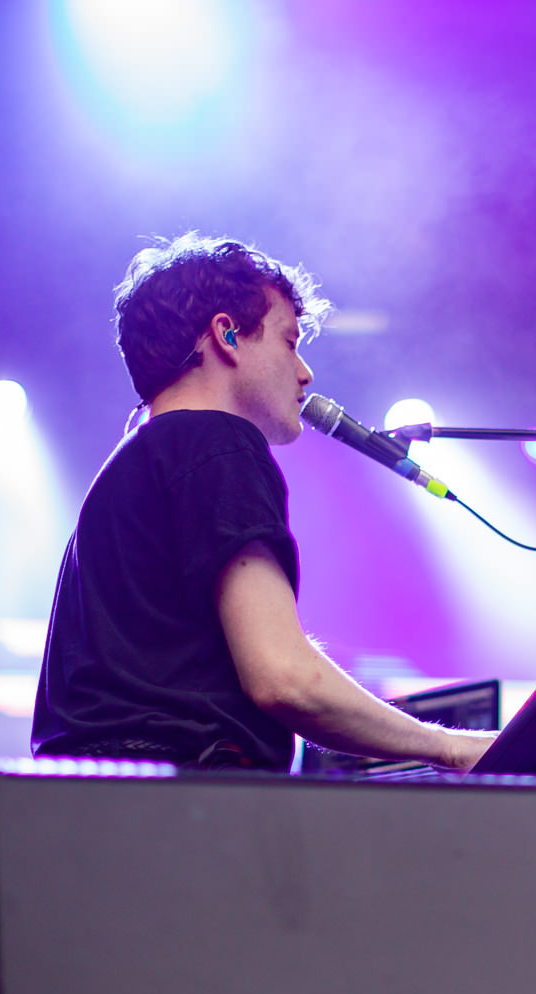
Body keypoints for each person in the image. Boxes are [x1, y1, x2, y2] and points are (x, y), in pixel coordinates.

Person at [31, 233, 494, 773]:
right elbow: (283, 678)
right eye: (289, 341)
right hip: (178, 818)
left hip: (110, 810)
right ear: (226, 334)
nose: (306, 372)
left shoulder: (138, 460)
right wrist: (451, 746)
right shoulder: (215, 441)